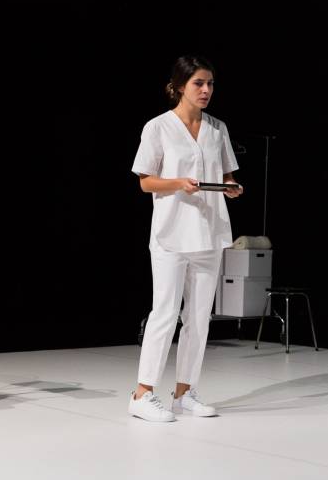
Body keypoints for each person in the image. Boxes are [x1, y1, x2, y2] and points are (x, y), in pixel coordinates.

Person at [128, 56, 243, 422]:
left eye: (210, 83)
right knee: (164, 313)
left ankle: (184, 393)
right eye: (198, 83)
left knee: (199, 318)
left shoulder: (217, 128)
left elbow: (227, 175)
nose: (206, 90)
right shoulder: (158, 127)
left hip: (209, 233)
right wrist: (178, 182)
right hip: (171, 234)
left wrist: (230, 187)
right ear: (179, 86)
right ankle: (142, 394)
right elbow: (145, 181)